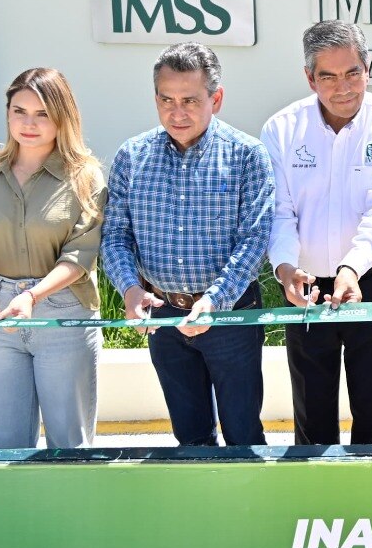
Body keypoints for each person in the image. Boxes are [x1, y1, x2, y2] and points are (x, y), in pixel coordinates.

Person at [101, 43, 276, 447]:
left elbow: (254, 240)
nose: (177, 113)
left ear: (216, 98)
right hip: (162, 316)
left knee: (243, 434)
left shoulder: (247, 155)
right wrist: (129, 289)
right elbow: (115, 236)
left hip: (230, 315)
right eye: (167, 100)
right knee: (190, 437)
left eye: (190, 101)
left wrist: (215, 300)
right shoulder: (132, 156)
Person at [262, 22, 372, 445]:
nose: (343, 88)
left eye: (353, 73)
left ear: (368, 69)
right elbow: (279, 212)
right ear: (309, 78)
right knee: (311, 411)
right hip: (305, 286)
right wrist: (285, 269)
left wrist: (351, 268)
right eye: (328, 77)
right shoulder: (281, 129)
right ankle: (313, 485)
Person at [0, 68, 106, 449]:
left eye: (42, 114)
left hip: (63, 310)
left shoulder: (86, 178)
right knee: (3, 446)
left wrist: (32, 296)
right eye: (19, 111)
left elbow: (80, 255)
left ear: (62, 117)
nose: (29, 124)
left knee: (69, 446)